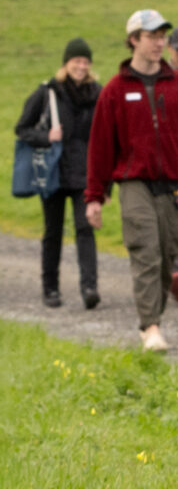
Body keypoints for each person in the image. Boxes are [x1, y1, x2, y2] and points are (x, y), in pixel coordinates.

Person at [84, 10, 178, 352]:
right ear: (134, 40)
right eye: (152, 36)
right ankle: (151, 326)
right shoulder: (115, 91)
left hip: (174, 185)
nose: (160, 42)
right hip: (134, 183)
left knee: (167, 256)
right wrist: (94, 196)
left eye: (162, 36)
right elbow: (101, 146)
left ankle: (152, 319)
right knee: (145, 251)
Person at [15, 39, 100, 309]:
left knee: (85, 229)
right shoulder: (47, 92)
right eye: (76, 60)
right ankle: (49, 288)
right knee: (53, 231)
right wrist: (45, 136)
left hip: (83, 172)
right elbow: (22, 128)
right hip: (52, 173)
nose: (81, 66)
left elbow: (103, 136)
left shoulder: (96, 93)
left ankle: (89, 287)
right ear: (66, 63)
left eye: (85, 62)